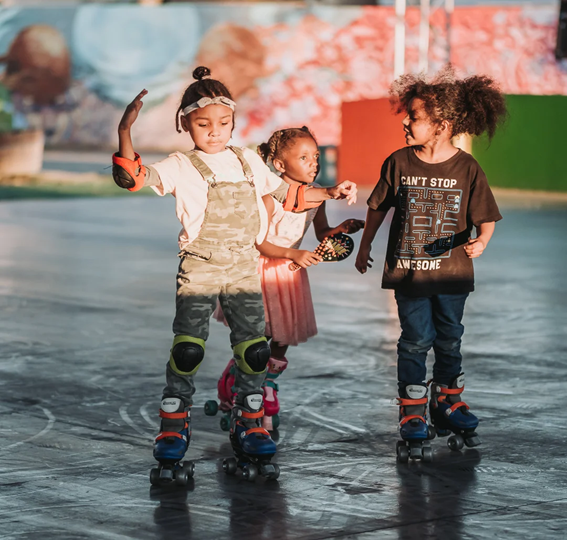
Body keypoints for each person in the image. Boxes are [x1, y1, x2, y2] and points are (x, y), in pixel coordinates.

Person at [112, 66, 358, 481]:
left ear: (233, 122)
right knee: (188, 348)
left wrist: (330, 192)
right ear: (184, 123)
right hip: (201, 266)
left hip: (244, 265)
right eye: (203, 124)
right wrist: (125, 132)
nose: (214, 131)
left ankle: (250, 416)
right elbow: (132, 177)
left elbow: (290, 194)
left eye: (223, 123)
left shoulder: (247, 160)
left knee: (255, 349)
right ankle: (174, 423)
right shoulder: (180, 164)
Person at [355, 67, 506, 459]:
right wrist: (364, 244)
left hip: (453, 275)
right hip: (410, 274)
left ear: (442, 124)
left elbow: (485, 215)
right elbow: (376, 208)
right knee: (415, 339)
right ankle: (412, 408)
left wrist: (482, 241)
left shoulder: (467, 168)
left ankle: (448, 400)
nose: (405, 122)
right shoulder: (399, 162)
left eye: (415, 117)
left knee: (450, 338)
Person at [213, 127, 364, 431]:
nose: (313, 163)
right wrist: (292, 254)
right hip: (263, 270)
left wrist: (341, 228)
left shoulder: (317, 195)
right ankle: (237, 381)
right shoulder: (270, 196)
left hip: (291, 275)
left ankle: (268, 385)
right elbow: (259, 242)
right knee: (260, 336)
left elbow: (322, 233)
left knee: (283, 338)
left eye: (316, 157)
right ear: (280, 165)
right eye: (304, 157)